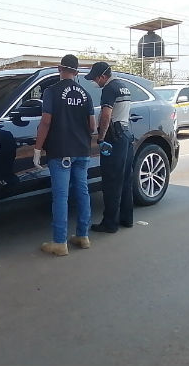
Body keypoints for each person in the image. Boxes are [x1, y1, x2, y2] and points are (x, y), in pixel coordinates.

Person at [34, 54, 97, 256]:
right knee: (82, 192)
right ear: (76, 72)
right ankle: (83, 236)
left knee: (61, 196)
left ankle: (60, 242)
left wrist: (37, 149)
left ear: (60, 70)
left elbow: (45, 122)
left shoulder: (52, 91)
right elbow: (92, 126)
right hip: (82, 151)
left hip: (61, 152)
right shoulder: (85, 94)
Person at [85, 61, 134, 233]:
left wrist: (100, 138)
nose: (95, 82)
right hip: (127, 135)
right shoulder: (123, 86)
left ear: (102, 76)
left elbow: (106, 116)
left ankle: (110, 224)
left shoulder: (109, 89)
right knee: (126, 179)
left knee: (112, 182)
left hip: (115, 138)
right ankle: (127, 219)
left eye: (95, 79)